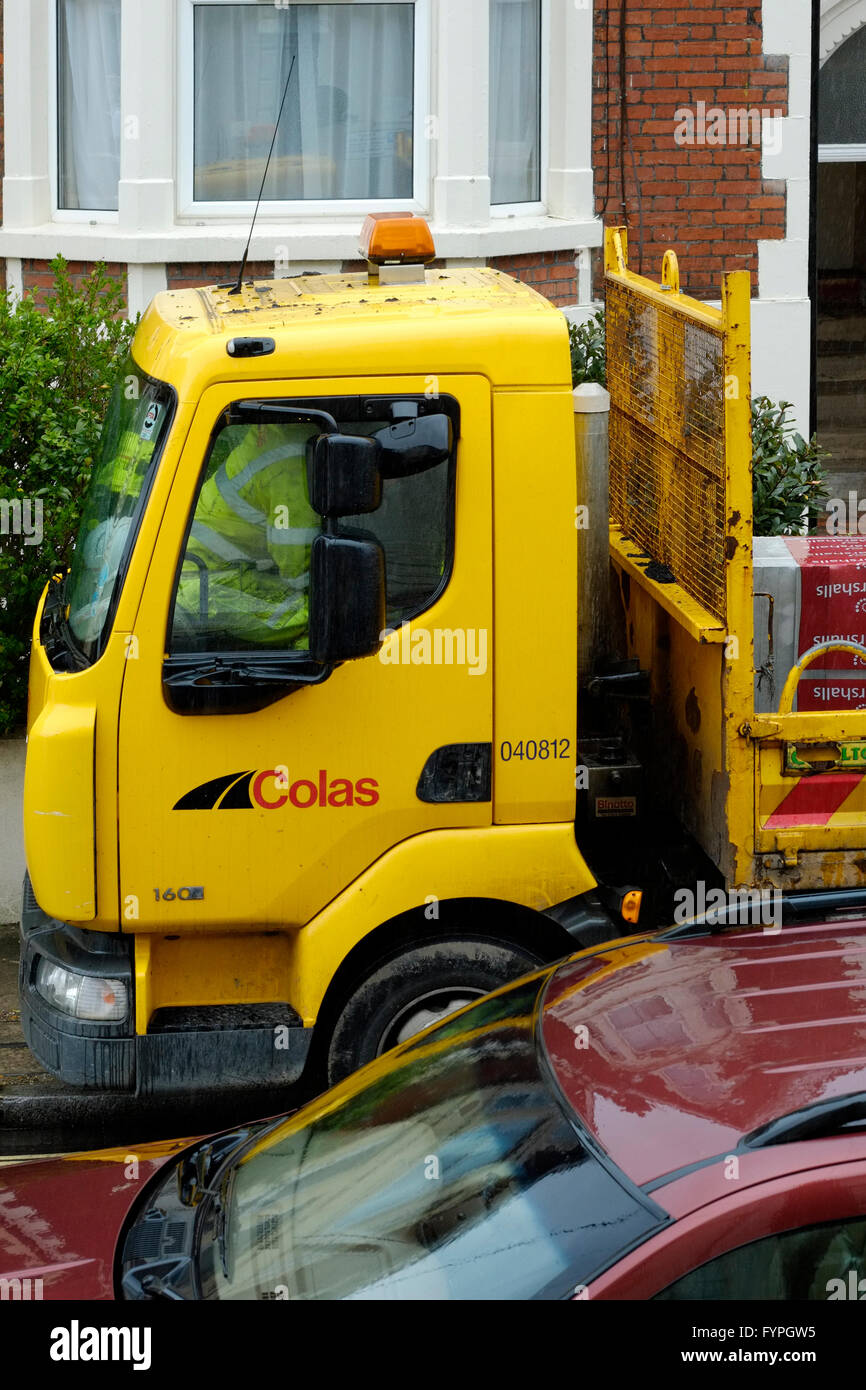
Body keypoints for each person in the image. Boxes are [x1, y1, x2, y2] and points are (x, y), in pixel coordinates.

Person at [175, 422, 319, 650]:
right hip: (205, 582)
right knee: (322, 619)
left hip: (198, 566)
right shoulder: (291, 466)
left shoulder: (274, 432)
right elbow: (297, 568)